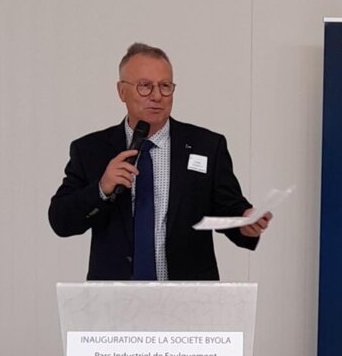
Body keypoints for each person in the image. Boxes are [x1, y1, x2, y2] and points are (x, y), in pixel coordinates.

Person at [49, 42, 271, 280]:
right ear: (122, 91)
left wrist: (245, 220)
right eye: (145, 86)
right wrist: (101, 189)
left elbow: (228, 207)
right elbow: (61, 221)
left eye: (165, 86)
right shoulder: (91, 150)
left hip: (187, 295)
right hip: (115, 296)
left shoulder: (206, 146)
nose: (156, 96)